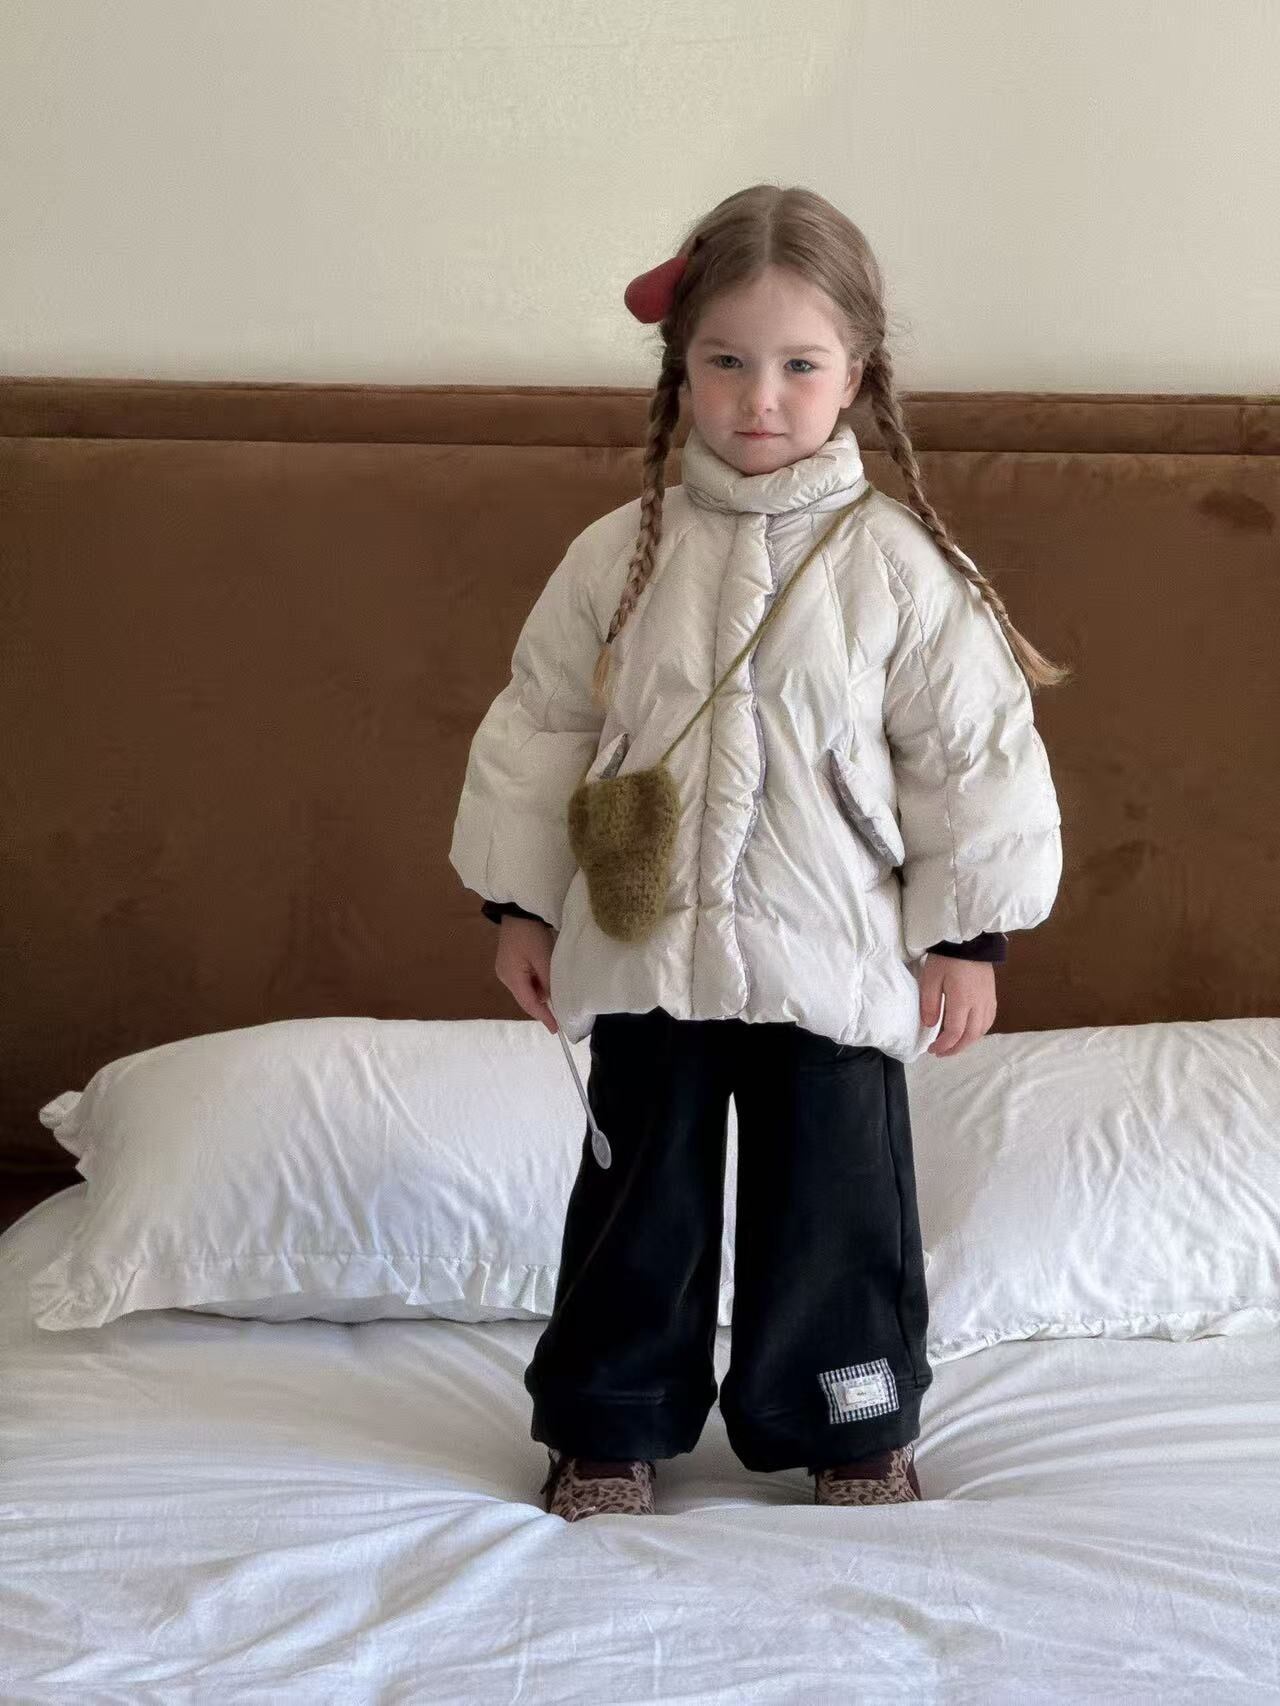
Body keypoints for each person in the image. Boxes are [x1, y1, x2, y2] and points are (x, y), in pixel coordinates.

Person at [449, 183, 1067, 1521]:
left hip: (833, 951)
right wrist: (523, 907)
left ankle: (850, 1415)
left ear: (858, 372)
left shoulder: (897, 569)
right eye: (726, 362)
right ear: (682, 369)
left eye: (800, 365)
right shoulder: (616, 557)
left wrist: (966, 935)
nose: (761, 398)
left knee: (838, 1199)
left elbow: (974, 756)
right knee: (638, 1199)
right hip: (645, 949)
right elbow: (542, 729)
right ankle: (609, 1421)